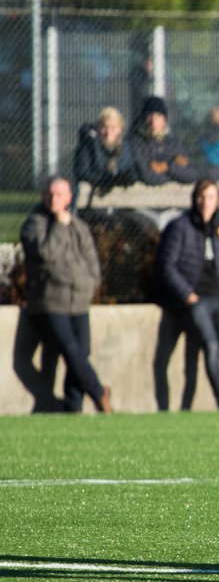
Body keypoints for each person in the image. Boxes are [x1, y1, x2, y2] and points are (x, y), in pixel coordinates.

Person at [19, 177, 113, 413]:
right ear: (43, 196)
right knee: (70, 350)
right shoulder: (34, 224)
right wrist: (60, 226)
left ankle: (73, 406)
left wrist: (90, 284)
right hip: (50, 301)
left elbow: (91, 260)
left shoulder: (78, 226)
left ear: (69, 197)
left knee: (81, 352)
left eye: (60, 194)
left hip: (79, 300)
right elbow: (46, 254)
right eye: (50, 194)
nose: (54, 199)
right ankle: (99, 393)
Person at [155, 179, 219, 413]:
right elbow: (166, 265)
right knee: (211, 346)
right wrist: (187, 294)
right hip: (196, 301)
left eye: (212, 197)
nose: (206, 202)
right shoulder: (180, 227)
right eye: (202, 197)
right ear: (195, 199)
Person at [128, 96, 199, 186]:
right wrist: (176, 172)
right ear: (143, 119)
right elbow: (148, 177)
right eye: (149, 116)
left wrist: (166, 166)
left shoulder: (173, 144)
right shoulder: (136, 143)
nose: (153, 122)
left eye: (158, 116)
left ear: (165, 120)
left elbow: (192, 175)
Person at [74, 107, 137, 198]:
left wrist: (123, 178)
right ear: (98, 128)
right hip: (93, 195)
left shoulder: (126, 146)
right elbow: (82, 172)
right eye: (104, 127)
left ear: (120, 129)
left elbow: (132, 169)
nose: (108, 132)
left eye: (113, 128)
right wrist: (105, 180)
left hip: (123, 196)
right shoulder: (88, 145)